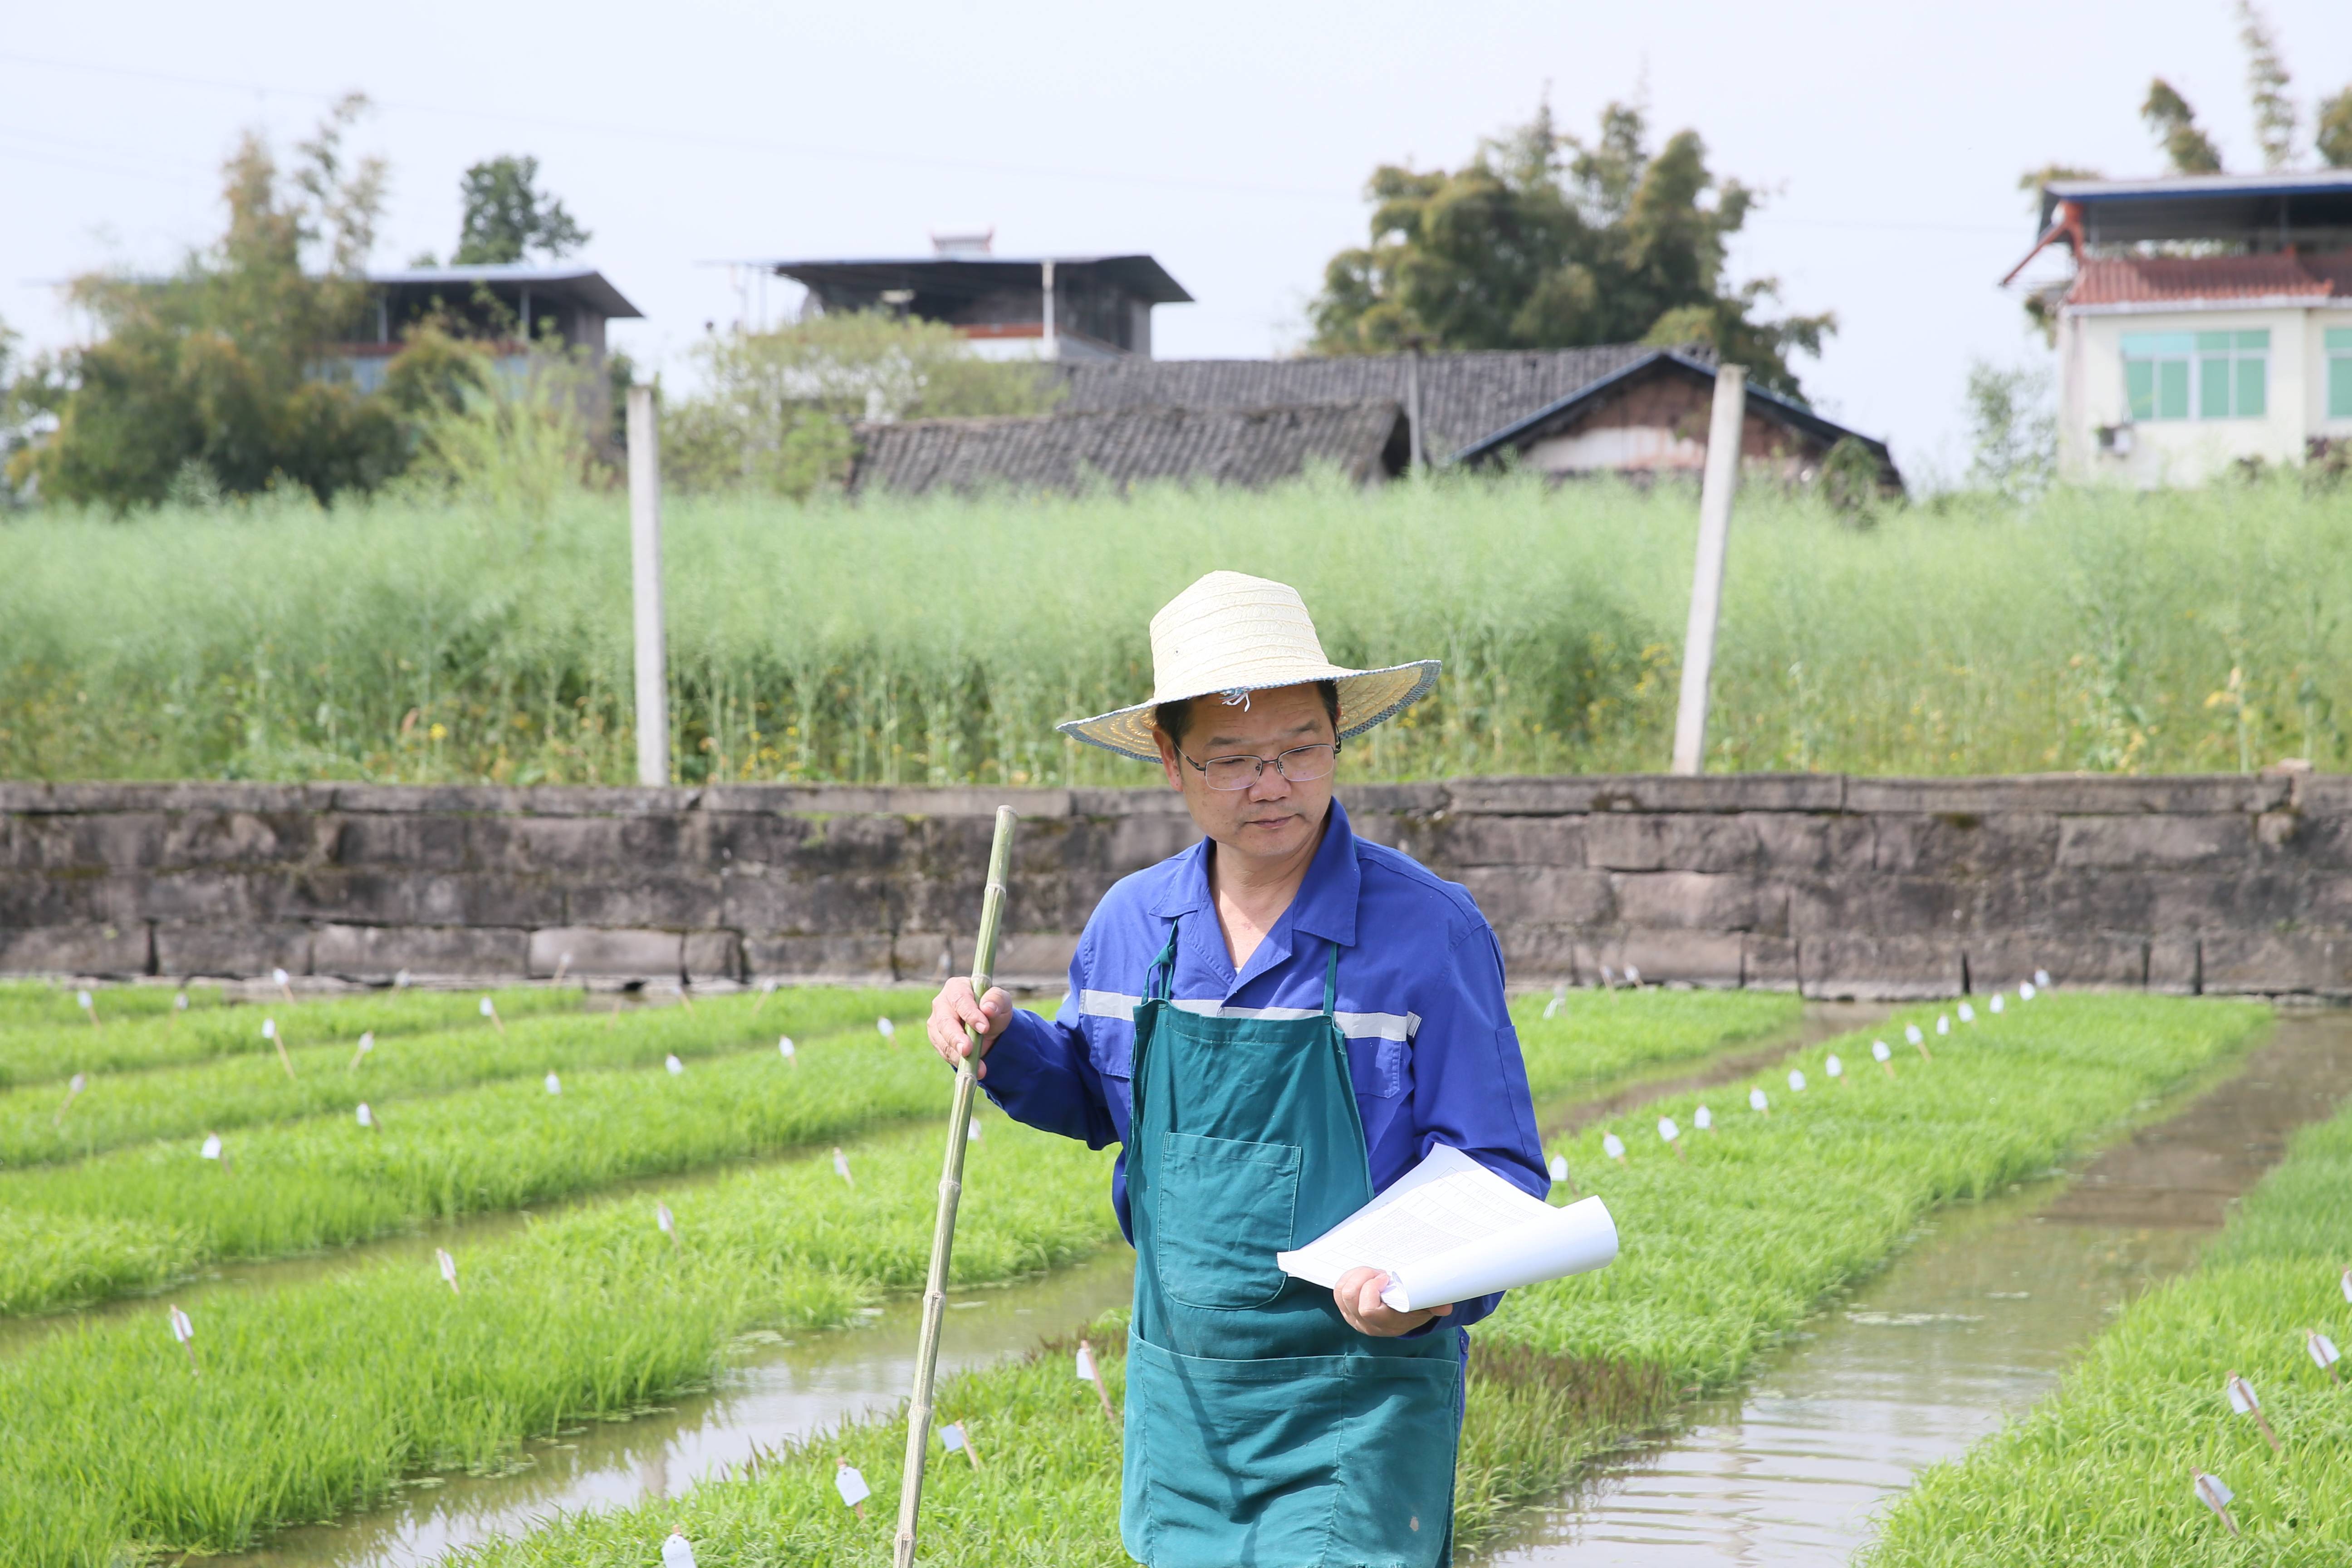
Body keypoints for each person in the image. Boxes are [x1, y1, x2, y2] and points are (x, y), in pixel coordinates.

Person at [926, 570, 1547, 1568]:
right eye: (1235, 759)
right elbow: (1094, 1090)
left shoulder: (1429, 932)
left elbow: (1498, 1169)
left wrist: (1428, 1290)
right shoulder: (1133, 926)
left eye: (1301, 750)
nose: (1274, 783)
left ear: (1336, 741)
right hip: (1188, 1401)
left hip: (1363, 1397)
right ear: (1172, 763)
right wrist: (1000, 1039)